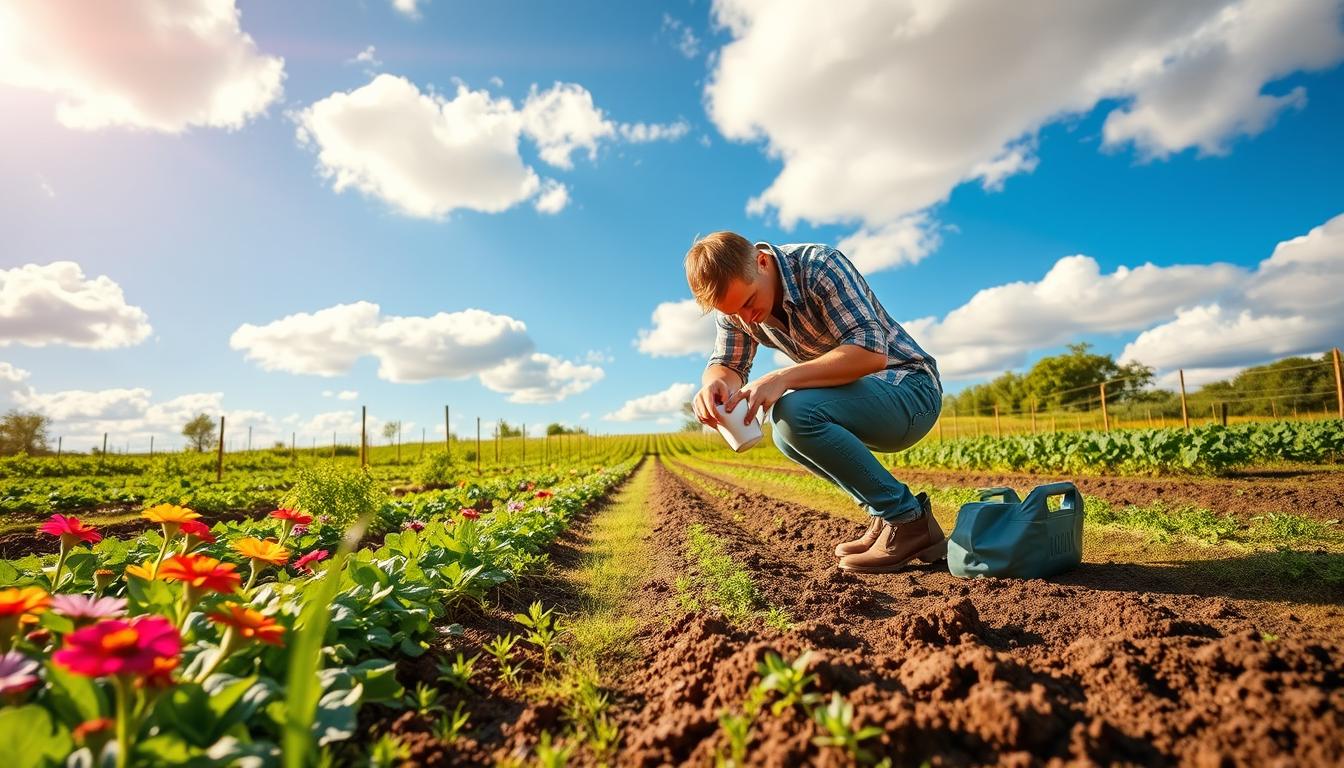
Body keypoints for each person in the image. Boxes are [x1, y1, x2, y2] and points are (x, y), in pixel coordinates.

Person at [686, 231, 947, 573]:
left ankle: (907, 521)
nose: (747, 318)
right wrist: (714, 386)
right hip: (861, 399)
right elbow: (729, 364)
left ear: (761, 262)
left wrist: (781, 378)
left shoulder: (818, 267)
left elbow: (871, 353)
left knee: (795, 412)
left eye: (749, 302)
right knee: (785, 431)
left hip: (910, 390)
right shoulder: (738, 310)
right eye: (734, 312)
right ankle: (886, 518)